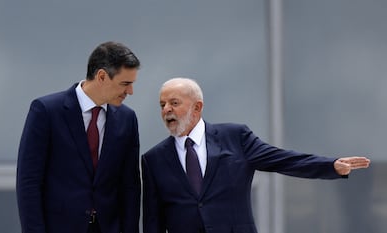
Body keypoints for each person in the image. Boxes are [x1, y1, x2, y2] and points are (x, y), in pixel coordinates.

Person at [141, 77, 370, 233]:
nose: (166, 110)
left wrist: (331, 166)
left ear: (197, 107)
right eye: (162, 105)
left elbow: (283, 159)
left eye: (174, 103)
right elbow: (153, 222)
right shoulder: (153, 159)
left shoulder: (235, 137)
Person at [16, 41, 141, 233]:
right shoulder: (46, 111)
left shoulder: (127, 119)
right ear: (101, 76)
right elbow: (29, 181)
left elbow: (130, 187)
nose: (130, 91)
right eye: (125, 84)